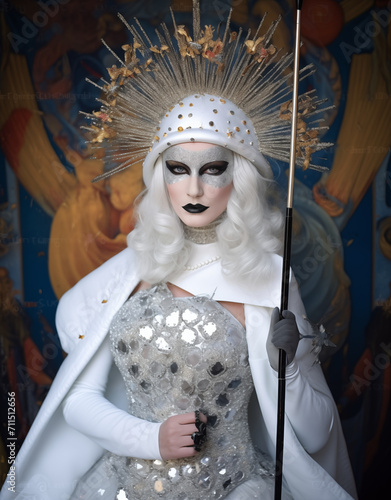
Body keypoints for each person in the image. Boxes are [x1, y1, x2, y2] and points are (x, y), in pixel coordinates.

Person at [1, 3, 357, 499]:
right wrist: (150, 438)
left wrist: (291, 365)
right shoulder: (132, 269)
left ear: (241, 179)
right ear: (158, 175)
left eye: (212, 169)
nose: (193, 187)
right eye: (177, 169)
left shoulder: (271, 277)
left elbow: (315, 435)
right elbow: (78, 401)